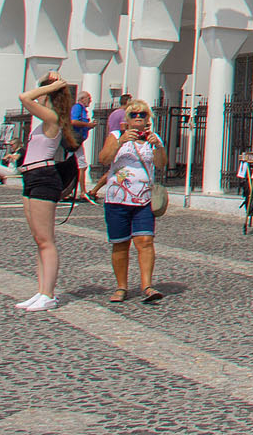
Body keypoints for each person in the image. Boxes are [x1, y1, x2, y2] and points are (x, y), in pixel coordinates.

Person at [15, 73, 80, 312]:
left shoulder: (53, 118)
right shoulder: (45, 122)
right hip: (31, 175)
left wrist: (51, 87)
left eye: (45, 94)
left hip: (44, 176)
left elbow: (24, 97)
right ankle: (41, 289)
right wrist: (47, 82)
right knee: (38, 239)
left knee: (46, 240)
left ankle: (48, 293)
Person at [97, 99, 166, 304]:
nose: (138, 118)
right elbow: (104, 159)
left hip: (144, 198)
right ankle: (121, 287)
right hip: (117, 199)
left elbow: (161, 165)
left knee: (145, 241)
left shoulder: (153, 139)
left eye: (142, 115)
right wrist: (121, 142)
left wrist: (158, 147)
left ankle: (147, 285)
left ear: (148, 119)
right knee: (120, 244)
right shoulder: (116, 136)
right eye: (133, 115)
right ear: (126, 119)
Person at [67, 91, 96, 200]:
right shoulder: (77, 107)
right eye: (89, 98)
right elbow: (73, 121)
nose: (90, 100)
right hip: (75, 141)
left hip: (78, 141)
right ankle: (82, 191)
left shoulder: (82, 109)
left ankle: (70, 190)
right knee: (82, 166)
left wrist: (89, 126)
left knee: (77, 165)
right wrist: (87, 124)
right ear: (82, 99)